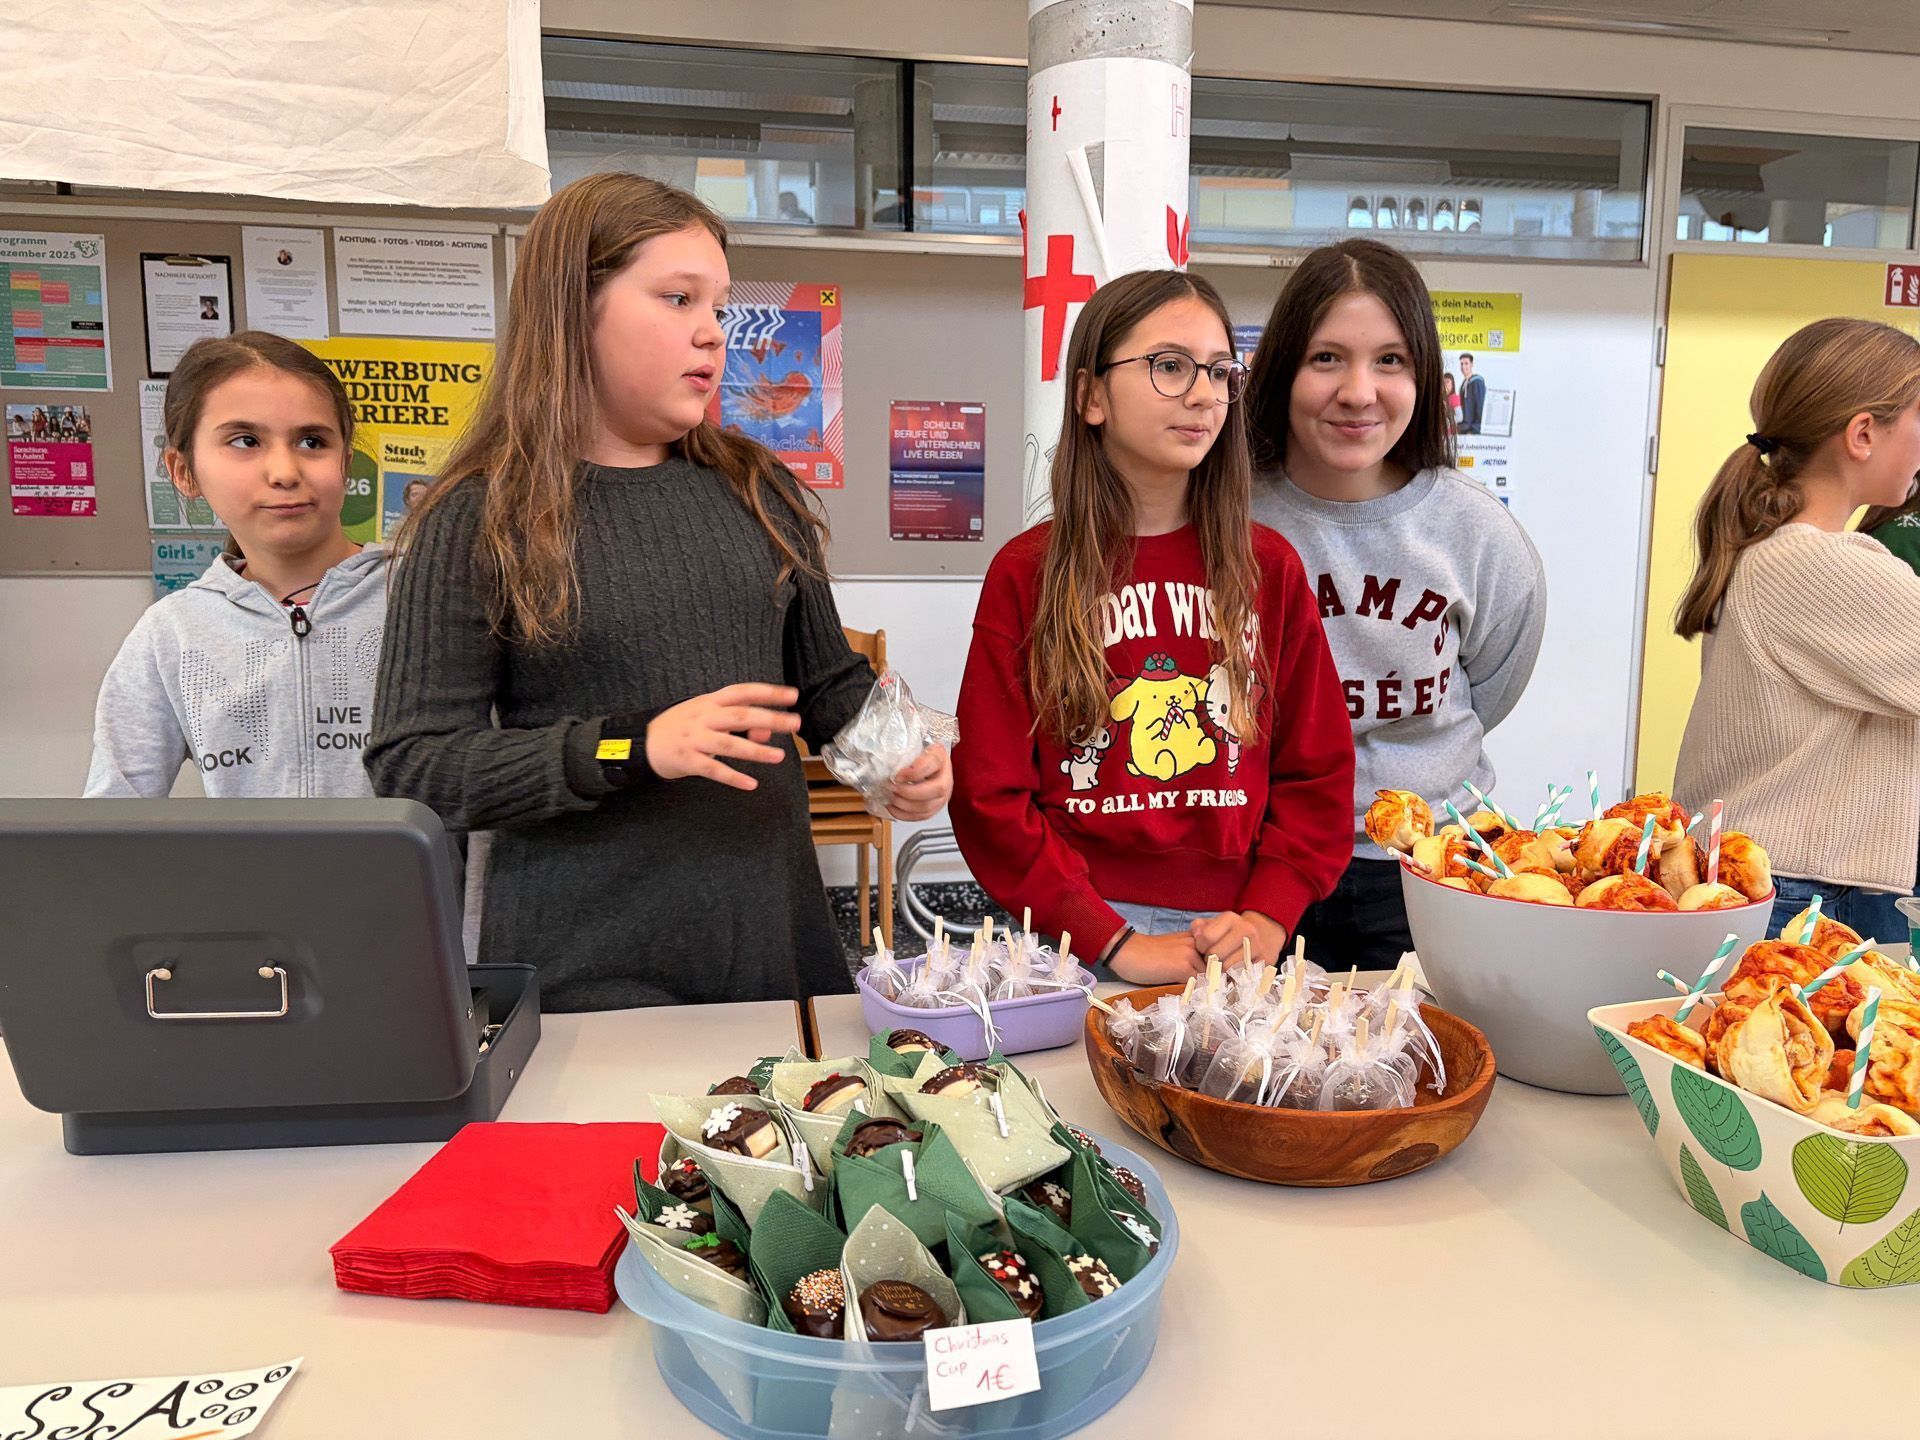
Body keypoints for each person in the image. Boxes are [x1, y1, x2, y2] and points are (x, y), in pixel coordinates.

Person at [365, 173, 951, 1012]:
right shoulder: (477, 516)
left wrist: (896, 756)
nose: (713, 336)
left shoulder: (759, 491)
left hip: (773, 939)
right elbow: (416, 763)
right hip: (586, 963)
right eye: (678, 300)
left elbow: (827, 688)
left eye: (718, 308)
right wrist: (631, 746)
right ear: (574, 311)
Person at [951, 269, 1354, 985]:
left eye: (1220, 371)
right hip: (1075, 937)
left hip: (1238, 933)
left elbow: (1315, 771)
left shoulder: (1271, 567)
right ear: (1092, 395)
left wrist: (1266, 915)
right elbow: (989, 796)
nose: (1204, 393)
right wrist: (1112, 940)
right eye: (1170, 366)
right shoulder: (1028, 573)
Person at [1245, 239, 1545, 970]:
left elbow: (1492, 683)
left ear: (1426, 378)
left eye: (1390, 360)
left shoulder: (1477, 530)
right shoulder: (1230, 518)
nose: (1358, 391)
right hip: (1262, 863)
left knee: (1426, 1071)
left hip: (1431, 863)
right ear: (1281, 370)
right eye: (1326, 358)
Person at [1673, 317, 1920, 941]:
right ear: (1863, 434)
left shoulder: (1792, 554)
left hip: (1789, 882)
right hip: (1798, 894)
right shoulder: (1812, 564)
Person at [85, 332, 386, 797]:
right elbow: (113, 818)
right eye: (246, 441)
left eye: (311, 441)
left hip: (411, 874)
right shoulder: (173, 633)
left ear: (345, 463)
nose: (285, 472)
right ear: (184, 471)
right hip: (248, 875)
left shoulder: (422, 600)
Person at [1457, 352, 1485, 434]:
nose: (1463, 367)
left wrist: (1475, 429)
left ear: (1472, 364)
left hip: (1472, 431)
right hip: (1464, 428)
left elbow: (1480, 407)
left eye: (1466, 363)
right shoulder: (1464, 384)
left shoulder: (1477, 382)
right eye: (1461, 364)